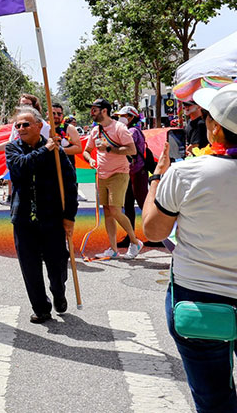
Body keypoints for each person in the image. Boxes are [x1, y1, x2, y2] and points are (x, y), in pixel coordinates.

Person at [142, 83, 237, 411]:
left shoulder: (186, 173)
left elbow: (153, 230)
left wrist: (156, 177)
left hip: (197, 302)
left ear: (215, 128)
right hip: (199, 302)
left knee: (213, 400)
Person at [5, 106, 78, 323]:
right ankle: (41, 308)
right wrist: (45, 150)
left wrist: (69, 216)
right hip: (23, 219)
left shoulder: (56, 151)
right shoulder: (13, 149)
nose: (21, 128)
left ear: (39, 126)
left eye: (26, 124)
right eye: (17, 125)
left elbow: (70, 184)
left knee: (57, 264)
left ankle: (58, 291)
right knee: (30, 267)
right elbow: (21, 167)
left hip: (52, 218)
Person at [83, 98, 141, 259]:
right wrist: (90, 159)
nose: (91, 112)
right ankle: (114, 249)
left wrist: (109, 148)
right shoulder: (95, 131)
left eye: (94, 109)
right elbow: (87, 150)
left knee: (115, 210)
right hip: (101, 174)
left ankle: (135, 242)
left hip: (119, 173)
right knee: (108, 212)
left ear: (104, 111)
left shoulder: (119, 128)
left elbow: (132, 150)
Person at [112, 105, 150, 247]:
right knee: (128, 205)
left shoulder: (132, 131)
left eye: (123, 116)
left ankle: (156, 235)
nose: (120, 118)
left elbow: (122, 145)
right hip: (128, 173)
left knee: (143, 204)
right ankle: (130, 236)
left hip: (137, 172)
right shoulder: (128, 130)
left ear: (131, 117)